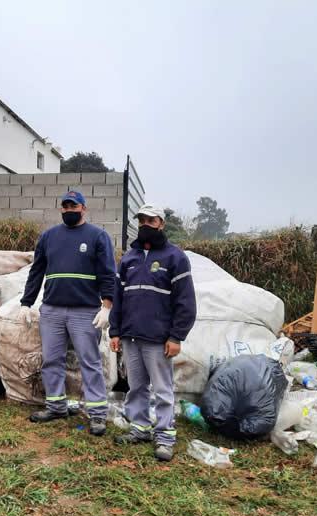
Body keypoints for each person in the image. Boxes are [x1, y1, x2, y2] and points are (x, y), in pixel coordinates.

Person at [20, 190, 116, 436]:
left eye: (74, 206)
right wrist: (26, 302)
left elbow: (108, 273)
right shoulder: (49, 237)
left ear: (84, 208)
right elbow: (36, 271)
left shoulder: (98, 236)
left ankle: (97, 415)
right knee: (52, 360)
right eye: (65, 206)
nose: (69, 210)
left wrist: (107, 306)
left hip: (85, 311)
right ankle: (56, 406)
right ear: (61, 209)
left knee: (90, 362)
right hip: (52, 310)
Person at [108, 204, 196, 461]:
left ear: (162, 223)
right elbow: (118, 298)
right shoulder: (128, 259)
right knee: (136, 387)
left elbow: (185, 302)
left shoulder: (175, 258)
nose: (146, 224)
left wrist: (176, 336)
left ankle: (165, 437)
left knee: (162, 389)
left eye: (151, 220)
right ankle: (139, 428)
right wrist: (115, 331)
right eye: (142, 220)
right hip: (131, 336)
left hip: (159, 339)